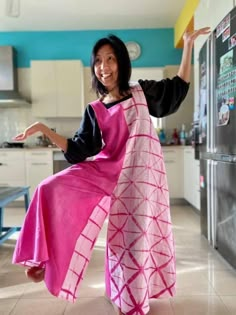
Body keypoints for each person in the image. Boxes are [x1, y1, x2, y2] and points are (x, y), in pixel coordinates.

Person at [12, 28, 210, 315]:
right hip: (111, 175)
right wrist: (44, 129)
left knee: (137, 240)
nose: (104, 67)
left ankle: (133, 300)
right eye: (98, 61)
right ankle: (44, 259)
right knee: (51, 190)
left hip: (143, 180)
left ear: (121, 63)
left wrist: (188, 45)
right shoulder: (95, 109)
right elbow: (80, 149)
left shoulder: (143, 92)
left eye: (110, 59)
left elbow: (177, 89)